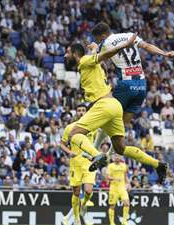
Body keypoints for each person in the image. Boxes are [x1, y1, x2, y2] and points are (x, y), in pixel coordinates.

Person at [64, 34, 167, 183]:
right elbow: (98, 57)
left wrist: (125, 45)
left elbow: (105, 54)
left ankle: (96, 155)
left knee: (74, 134)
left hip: (102, 105)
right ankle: (158, 164)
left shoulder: (85, 60)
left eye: (67, 52)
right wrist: (94, 49)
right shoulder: (89, 63)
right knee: (120, 149)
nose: (65, 55)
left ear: (75, 54)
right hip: (114, 105)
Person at [91, 22, 174, 150]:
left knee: (108, 117)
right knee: (123, 124)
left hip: (126, 84)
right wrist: (164, 53)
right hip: (141, 86)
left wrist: (94, 48)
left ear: (102, 36)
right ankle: (110, 154)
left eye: (97, 39)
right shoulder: (129, 35)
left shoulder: (104, 44)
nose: (97, 41)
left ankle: (94, 148)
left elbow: (93, 60)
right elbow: (147, 46)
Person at [60, 104, 97, 225]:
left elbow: (96, 142)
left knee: (88, 191)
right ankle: (76, 219)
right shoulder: (70, 128)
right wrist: (69, 152)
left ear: (86, 112)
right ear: (76, 112)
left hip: (89, 163)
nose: (81, 112)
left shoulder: (92, 127)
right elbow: (62, 144)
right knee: (76, 192)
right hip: (75, 164)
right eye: (79, 110)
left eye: (83, 110)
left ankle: (83, 208)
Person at [106, 154, 130, 225]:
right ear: (113, 158)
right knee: (112, 205)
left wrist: (128, 184)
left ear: (121, 157)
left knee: (127, 203)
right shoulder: (110, 166)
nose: (117, 157)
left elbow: (125, 176)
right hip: (113, 188)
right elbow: (107, 177)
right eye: (115, 156)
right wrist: (115, 179)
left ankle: (124, 221)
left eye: (118, 156)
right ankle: (112, 222)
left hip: (122, 187)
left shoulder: (124, 166)